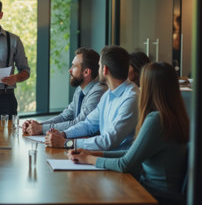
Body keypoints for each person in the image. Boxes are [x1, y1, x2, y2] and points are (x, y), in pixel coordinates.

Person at [69, 62, 189, 204]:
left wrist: (89, 160)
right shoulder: (174, 117)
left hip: (154, 196)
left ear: (149, 88)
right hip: (155, 192)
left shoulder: (156, 120)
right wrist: (93, 154)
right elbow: (132, 153)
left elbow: (125, 164)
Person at [45, 45, 138, 151]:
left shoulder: (131, 98)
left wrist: (67, 143)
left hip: (116, 162)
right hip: (103, 157)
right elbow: (88, 124)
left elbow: (108, 141)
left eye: (99, 66)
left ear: (105, 70)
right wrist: (64, 134)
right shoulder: (108, 94)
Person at [22, 48, 107, 135]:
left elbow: (79, 124)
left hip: (89, 145)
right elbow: (65, 116)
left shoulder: (99, 91)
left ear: (86, 72)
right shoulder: (80, 90)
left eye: (74, 66)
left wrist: (41, 128)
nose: (70, 70)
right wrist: (37, 125)